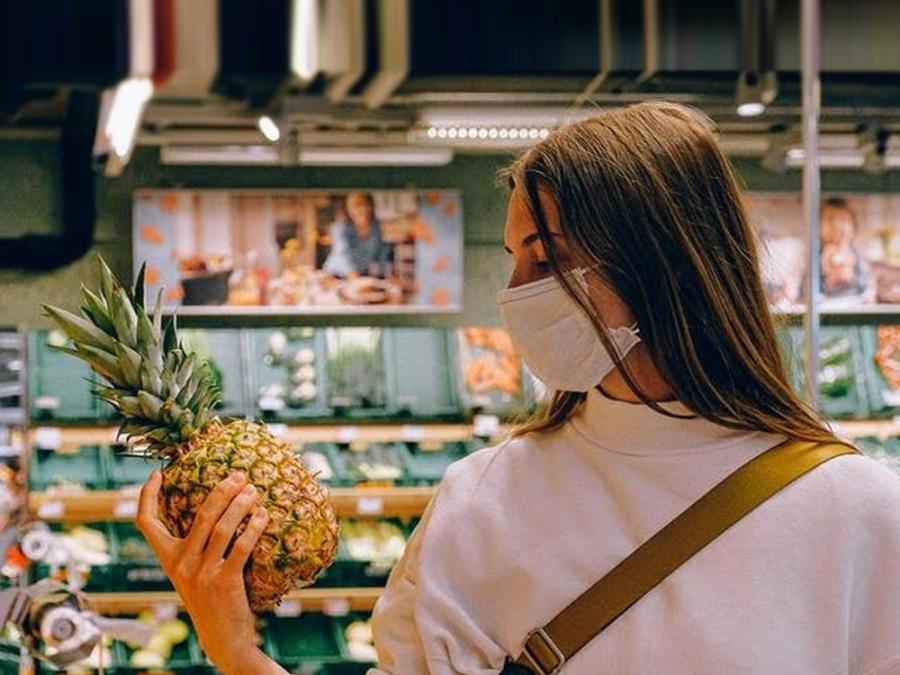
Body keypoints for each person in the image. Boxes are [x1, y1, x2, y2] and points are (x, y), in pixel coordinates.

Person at [136, 102, 900, 674]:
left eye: (546, 256)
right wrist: (233, 645)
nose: (513, 292)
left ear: (663, 261)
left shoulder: (860, 515)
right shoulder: (483, 501)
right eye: (513, 258)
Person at [323, 192, 390, 279]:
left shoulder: (375, 226)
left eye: (367, 204)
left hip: (361, 274)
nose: (364, 209)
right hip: (336, 275)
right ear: (349, 209)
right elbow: (342, 254)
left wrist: (387, 274)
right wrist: (353, 276)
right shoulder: (340, 227)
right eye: (358, 206)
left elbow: (381, 253)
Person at [820, 197, 875, 302]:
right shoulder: (813, 257)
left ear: (853, 227)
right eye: (830, 219)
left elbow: (869, 287)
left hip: (856, 307)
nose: (836, 225)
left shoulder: (859, 255)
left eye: (843, 220)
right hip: (825, 308)